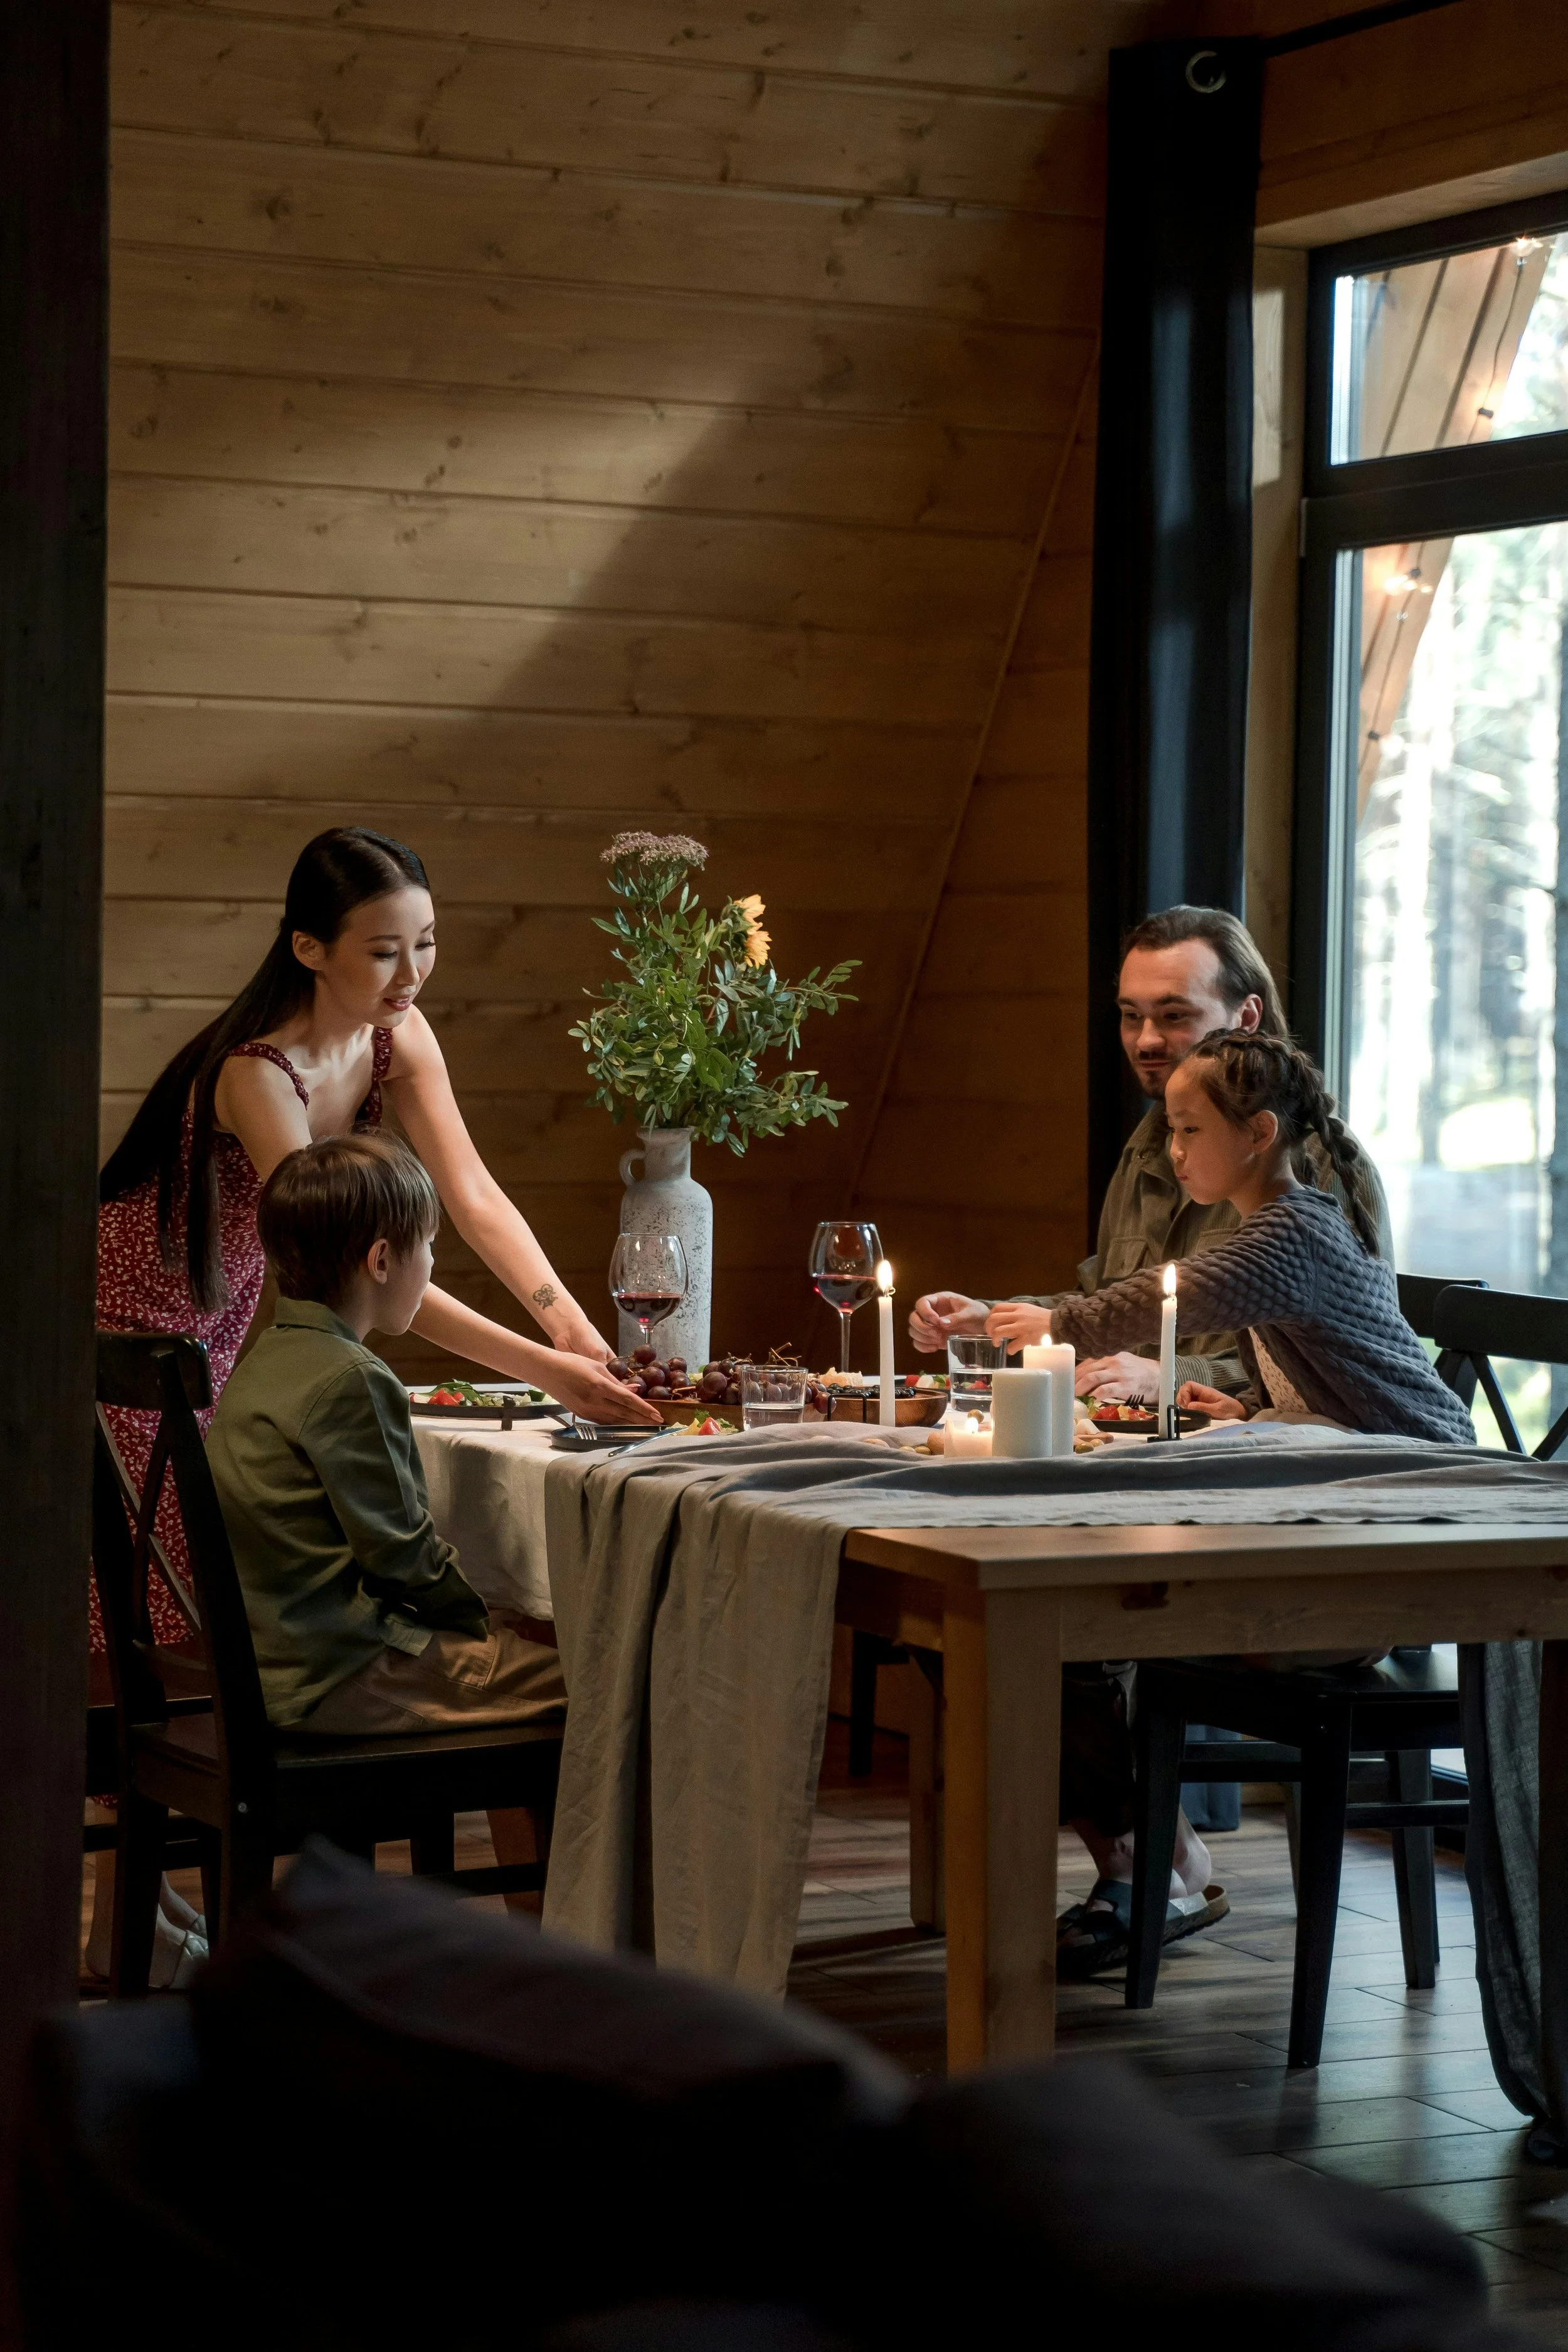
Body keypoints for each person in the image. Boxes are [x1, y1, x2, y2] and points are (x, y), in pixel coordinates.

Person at [87, 827, 655, 1983]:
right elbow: (358, 1261)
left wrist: (574, 1329)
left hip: (233, 1322)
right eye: (387, 952)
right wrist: (546, 1373)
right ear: (308, 949)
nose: (411, 977)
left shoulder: (399, 1036)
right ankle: (136, 1915)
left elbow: (476, 1197)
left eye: (428, 946)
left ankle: (135, 1919)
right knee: (158, 1629)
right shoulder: (259, 1070)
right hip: (145, 1327)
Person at [993, 1030, 1473, 1977]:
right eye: (1169, 1130)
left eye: (1189, 1129)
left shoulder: (1290, 1227)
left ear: (1258, 1133)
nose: (1173, 1151)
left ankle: (1155, 1867)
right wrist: (1251, 1407)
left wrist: (1044, 1319)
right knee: (1085, 1614)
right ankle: (1155, 1862)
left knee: (1089, 1615)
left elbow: (1162, 1300)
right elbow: (1330, 1377)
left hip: (1406, 1515)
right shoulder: (1278, 1224)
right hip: (1348, 1500)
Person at [206, 1135, 566, 1883]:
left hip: (268, 1661)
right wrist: (481, 1628)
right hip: (335, 1675)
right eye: (428, 1247)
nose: (430, 1266)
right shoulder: (352, 1379)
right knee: (597, 1691)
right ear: (380, 1260)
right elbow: (404, 1558)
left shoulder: (265, 1359)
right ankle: (569, 1944)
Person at [909, 904, 1392, 1399]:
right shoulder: (1148, 1144)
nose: (1146, 1040)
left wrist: (1168, 1376)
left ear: (1246, 1017)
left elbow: (1336, 1360)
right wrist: (995, 1320)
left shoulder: (1311, 1164)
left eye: (1174, 1015)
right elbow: (1104, 1298)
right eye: (1131, 1016)